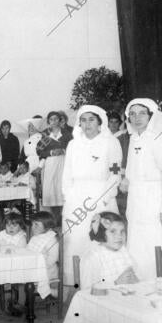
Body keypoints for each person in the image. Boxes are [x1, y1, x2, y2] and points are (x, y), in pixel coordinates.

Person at [61, 105, 122, 287]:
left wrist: (104, 197)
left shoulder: (110, 143)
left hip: (101, 198)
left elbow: (115, 173)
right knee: (76, 240)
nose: (87, 123)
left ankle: (105, 283)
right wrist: (69, 196)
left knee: (101, 240)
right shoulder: (73, 144)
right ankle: (77, 284)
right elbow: (67, 173)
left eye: (91, 119)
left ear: (99, 122)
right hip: (76, 199)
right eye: (83, 119)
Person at [121, 98, 162, 280]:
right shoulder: (133, 139)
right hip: (136, 201)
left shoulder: (158, 140)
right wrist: (126, 181)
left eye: (142, 113)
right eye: (132, 113)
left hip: (155, 201)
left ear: (151, 116)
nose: (137, 117)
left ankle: (158, 283)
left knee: (156, 242)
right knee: (138, 243)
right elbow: (133, 170)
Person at [80, 212, 138, 291]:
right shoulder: (92, 257)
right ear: (101, 233)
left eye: (122, 231)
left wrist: (135, 280)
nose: (119, 236)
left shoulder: (124, 252)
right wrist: (115, 283)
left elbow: (135, 278)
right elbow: (87, 291)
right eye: (113, 231)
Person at [36, 111, 72, 223]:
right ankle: (54, 219)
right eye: (51, 119)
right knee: (51, 190)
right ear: (48, 122)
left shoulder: (66, 134)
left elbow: (73, 148)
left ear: (60, 120)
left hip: (63, 163)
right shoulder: (45, 134)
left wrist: (63, 150)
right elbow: (39, 151)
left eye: (56, 119)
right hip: (50, 165)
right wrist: (51, 152)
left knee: (61, 188)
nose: (54, 121)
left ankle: (63, 217)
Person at [27, 211, 59, 294]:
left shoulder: (50, 239)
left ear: (47, 227)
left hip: (47, 272)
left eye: (36, 225)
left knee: (29, 285)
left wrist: (41, 267)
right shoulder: (36, 237)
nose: (33, 227)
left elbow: (53, 257)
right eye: (32, 224)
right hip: (34, 268)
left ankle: (50, 292)